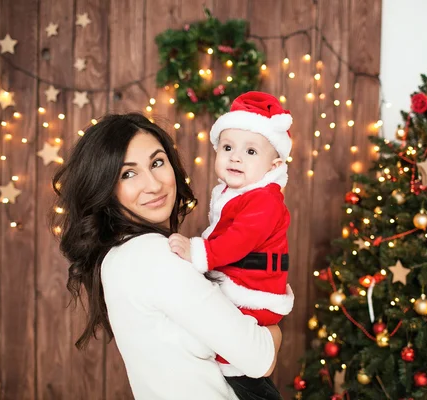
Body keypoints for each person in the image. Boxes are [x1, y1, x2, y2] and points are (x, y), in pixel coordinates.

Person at [51, 113, 282, 400]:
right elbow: (260, 357)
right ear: (105, 188)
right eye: (128, 173)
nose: (154, 185)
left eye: (157, 163)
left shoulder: (118, 254)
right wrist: (272, 327)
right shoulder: (153, 256)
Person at [168, 92, 293, 399]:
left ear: (274, 163)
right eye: (227, 147)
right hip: (238, 283)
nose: (235, 157)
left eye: (251, 151)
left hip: (254, 294)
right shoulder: (236, 192)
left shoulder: (266, 200)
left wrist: (199, 253)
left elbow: (240, 240)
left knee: (238, 367)